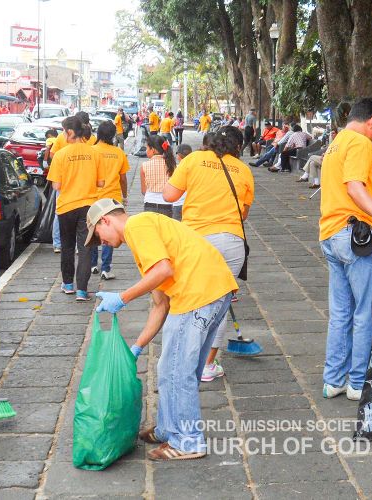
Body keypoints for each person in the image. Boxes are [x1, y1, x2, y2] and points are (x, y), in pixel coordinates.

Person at [87, 200, 237, 460]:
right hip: (213, 291)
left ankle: (187, 442)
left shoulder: (137, 225)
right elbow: (160, 305)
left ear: (105, 221)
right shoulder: (145, 237)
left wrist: (122, 297)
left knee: (178, 373)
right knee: (170, 368)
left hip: (198, 295)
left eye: (98, 235)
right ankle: (169, 429)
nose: (102, 242)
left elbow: (163, 270)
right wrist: (136, 347)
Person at [319, 97, 372, 401]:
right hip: (353, 236)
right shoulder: (358, 142)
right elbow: (354, 187)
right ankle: (357, 383)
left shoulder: (337, 141)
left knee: (340, 313)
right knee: (363, 311)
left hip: (331, 233)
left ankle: (333, 381)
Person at [163, 126, 254, 382]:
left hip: (197, 242)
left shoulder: (193, 160)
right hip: (232, 242)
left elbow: (170, 195)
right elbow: (243, 213)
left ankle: (182, 358)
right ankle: (207, 365)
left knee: (190, 301)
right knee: (220, 306)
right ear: (238, 147)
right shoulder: (244, 170)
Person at [46, 116, 105, 301]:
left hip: (66, 207)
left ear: (70, 132)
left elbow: (56, 186)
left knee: (67, 246)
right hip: (88, 206)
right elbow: (101, 182)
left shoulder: (61, 155)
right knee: (86, 247)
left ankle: (68, 284)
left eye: (64, 131)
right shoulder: (95, 153)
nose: (63, 134)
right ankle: (82, 290)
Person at [91, 121, 129, 280]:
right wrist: (125, 196)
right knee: (110, 232)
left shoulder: (91, 151)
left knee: (93, 230)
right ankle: (106, 268)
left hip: (94, 197)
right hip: (112, 199)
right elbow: (123, 178)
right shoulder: (118, 153)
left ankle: (92, 264)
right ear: (113, 135)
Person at [141, 135, 177, 218]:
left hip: (149, 204)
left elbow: (143, 191)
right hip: (167, 205)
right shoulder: (172, 165)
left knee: (151, 230)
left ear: (153, 150)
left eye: (147, 148)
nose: (146, 151)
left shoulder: (144, 166)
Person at [43, 128, 62, 253]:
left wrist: (45, 162)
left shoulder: (55, 140)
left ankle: (57, 243)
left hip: (59, 179)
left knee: (58, 213)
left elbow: (49, 152)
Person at [173, 143, 192, 221]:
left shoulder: (176, 169)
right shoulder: (195, 168)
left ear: (179, 155)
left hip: (178, 204)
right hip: (190, 203)